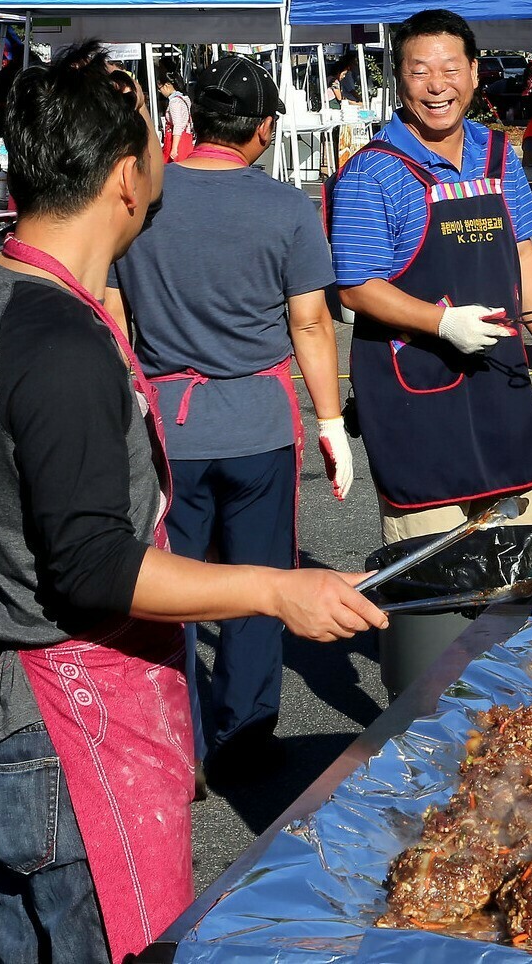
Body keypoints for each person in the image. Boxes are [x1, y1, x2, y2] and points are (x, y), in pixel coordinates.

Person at [0, 42, 384, 964]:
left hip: (35, 709)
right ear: (124, 180)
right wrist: (277, 592)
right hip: (70, 723)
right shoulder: (57, 339)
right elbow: (95, 565)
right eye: (153, 147)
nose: (167, 162)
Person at [104, 54, 351, 781]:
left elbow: (115, 312)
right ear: (266, 129)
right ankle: (244, 737)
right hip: (258, 424)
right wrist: (332, 423)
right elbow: (310, 325)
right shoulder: (286, 209)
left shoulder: (145, 201)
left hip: (166, 425)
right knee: (258, 580)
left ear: (194, 120)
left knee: (170, 587)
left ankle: (176, 738)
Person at [330, 9, 532, 544]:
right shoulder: (370, 171)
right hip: (415, 396)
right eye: (420, 71)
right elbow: (356, 285)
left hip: (500, 382)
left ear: (474, 71)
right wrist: (442, 324)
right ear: (399, 78)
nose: (437, 86)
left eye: (450, 69)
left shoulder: (498, 155)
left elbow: (521, 255)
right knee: (437, 574)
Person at [158, 68, 194, 162]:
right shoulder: (185, 98)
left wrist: (174, 148)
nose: (160, 91)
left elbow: (178, 125)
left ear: (167, 86)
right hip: (186, 138)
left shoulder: (174, 102)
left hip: (176, 141)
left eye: (160, 88)